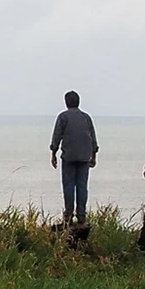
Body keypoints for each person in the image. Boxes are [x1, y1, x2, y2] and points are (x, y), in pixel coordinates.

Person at [50, 90, 98, 224]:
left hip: (69, 157)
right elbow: (92, 137)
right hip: (84, 157)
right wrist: (93, 155)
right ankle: (81, 214)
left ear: (66, 102)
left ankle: (69, 214)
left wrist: (53, 152)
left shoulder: (63, 117)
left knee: (69, 186)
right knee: (82, 186)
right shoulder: (86, 117)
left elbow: (57, 136)